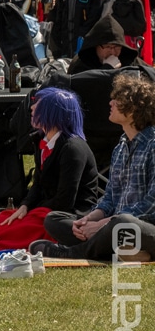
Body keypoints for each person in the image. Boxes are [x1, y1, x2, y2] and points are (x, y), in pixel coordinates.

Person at [32, 73, 155, 262]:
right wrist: (90, 219)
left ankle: (76, 252)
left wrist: (105, 223)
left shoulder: (152, 145)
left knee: (123, 223)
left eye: (117, 99)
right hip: (114, 227)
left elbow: (150, 205)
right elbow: (110, 198)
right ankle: (123, 250)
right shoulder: (121, 147)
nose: (110, 103)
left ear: (134, 108)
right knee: (54, 219)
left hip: (144, 226)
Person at [0, 88, 101, 250]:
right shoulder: (43, 141)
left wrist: (33, 210)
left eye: (38, 105)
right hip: (46, 208)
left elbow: (65, 200)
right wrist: (25, 206)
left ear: (53, 112)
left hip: (66, 215)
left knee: (9, 231)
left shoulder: (72, 148)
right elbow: (38, 183)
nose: (32, 108)